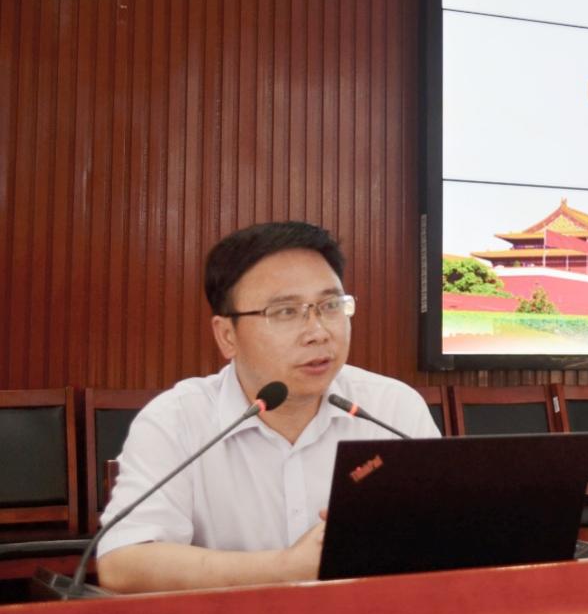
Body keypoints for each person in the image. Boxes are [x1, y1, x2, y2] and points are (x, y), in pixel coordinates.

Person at [96, 221, 440, 593]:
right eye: (286, 312)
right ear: (227, 335)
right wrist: (287, 567)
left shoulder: (392, 407)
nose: (318, 332)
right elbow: (122, 563)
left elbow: (447, 532)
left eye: (330, 306)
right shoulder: (176, 421)